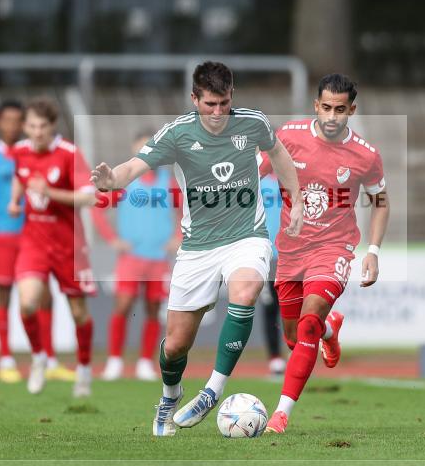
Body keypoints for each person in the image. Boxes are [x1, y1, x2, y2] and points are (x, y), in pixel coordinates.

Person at [91, 61, 303, 436]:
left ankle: (211, 391)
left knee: (247, 289)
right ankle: (169, 396)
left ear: (232, 96)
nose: (218, 112)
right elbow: (133, 167)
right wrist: (111, 180)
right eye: (210, 104)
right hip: (198, 248)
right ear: (194, 99)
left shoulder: (253, 122)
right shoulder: (177, 133)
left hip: (246, 235)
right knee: (174, 346)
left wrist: (297, 200)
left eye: (224, 103)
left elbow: (281, 155)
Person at [257, 73, 389, 434]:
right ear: (316, 105)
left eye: (340, 110)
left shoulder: (365, 155)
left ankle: (281, 414)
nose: (332, 117)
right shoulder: (288, 136)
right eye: (326, 108)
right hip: (291, 248)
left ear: (352, 110)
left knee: (308, 321)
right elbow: (254, 173)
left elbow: (380, 203)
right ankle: (331, 330)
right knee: (293, 334)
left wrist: (373, 251)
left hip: (334, 247)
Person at [0, 101, 73, 383]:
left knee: (44, 297)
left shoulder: (35, 152)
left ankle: (49, 359)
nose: (13, 126)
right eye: (8, 120)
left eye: (19, 120)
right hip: (5, 235)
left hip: (38, 234)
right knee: (4, 293)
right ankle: (6, 359)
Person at [7, 99, 98, 398]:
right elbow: (22, 178)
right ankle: (38, 358)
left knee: (78, 312)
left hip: (69, 245)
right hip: (33, 242)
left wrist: (51, 193)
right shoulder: (20, 151)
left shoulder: (70, 154)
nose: (37, 132)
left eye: (42, 126)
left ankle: (84, 370)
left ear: (53, 126)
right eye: (31, 126)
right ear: (25, 126)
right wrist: (15, 199)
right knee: (28, 303)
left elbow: (88, 198)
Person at [92, 129, 182, 381]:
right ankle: (115, 361)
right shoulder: (126, 181)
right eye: (141, 148)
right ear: (134, 151)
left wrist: (178, 236)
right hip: (130, 258)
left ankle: (145, 362)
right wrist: (112, 240)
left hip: (158, 258)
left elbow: (184, 211)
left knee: (153, 309)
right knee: (123, 305)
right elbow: (96, 208)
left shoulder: (169, 182)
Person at [259, 170, 286, 376]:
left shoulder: (292, 181)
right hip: (267, 255)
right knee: (270, 307)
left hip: (291, 254)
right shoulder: (256, 183)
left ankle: (297, 351)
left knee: (293, 305)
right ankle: (275, 357)